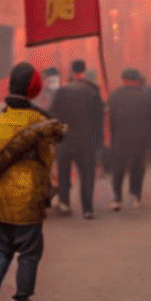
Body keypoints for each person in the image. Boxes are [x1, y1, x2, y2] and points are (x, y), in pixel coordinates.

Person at [0, 63, 62, 301]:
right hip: (26, 196)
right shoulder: (37, 121)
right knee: (30, 251)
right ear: (34, 89)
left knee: (2, 248)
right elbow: (47, 159)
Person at [50, 59, 103, 219]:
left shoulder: (62, 91)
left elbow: (53, 116)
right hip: (86, 141)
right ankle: (87, 209)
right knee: (87, 175)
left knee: (63, 173)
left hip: (65, 139)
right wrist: (98, 143)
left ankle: (65, 204)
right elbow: (98, 119)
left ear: (71, 71)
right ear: (84, 71)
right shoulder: (93, 91)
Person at [106, 68, 151, 211]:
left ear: (123, 80)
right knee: (137, 168)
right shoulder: (147, 97)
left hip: (120, 138)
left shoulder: (114, 96)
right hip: (140, 139)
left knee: (118, 169)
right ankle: (135, 195)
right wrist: (150, 142)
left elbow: (111, 120)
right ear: (137, 81)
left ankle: (117, 198)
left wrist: (111, 138)